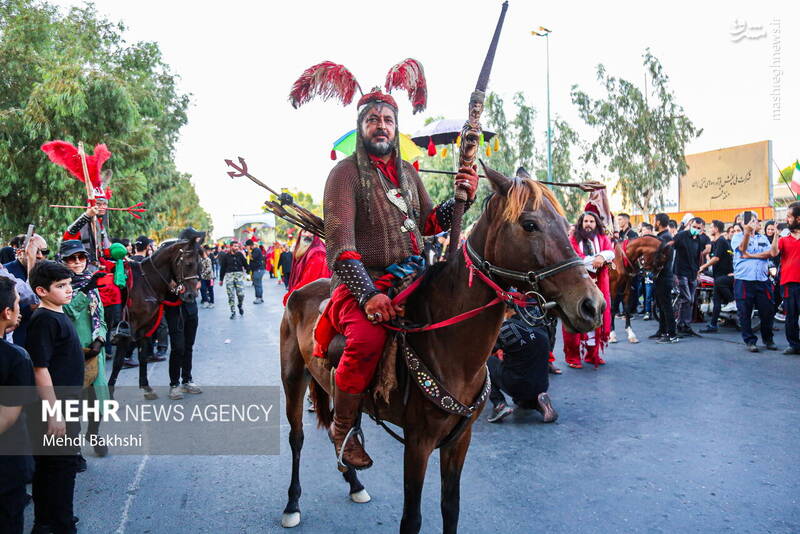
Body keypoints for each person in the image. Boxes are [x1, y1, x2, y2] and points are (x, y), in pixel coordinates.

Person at [317, 84, 477, 470]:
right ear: (362, 127)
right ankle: (343, 425)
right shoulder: (343, 175)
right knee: (368, 338)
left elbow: (428, 224)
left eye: (388, 120)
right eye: (373, 120)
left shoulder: (407, 172)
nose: (381, 126)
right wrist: (368, 295)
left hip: (414, 278)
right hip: (363, 283)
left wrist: (460, 200)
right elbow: (340, 246)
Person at [25, 261, 85, 534]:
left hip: (67, 402)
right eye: (60, 286)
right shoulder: (45, 320)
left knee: (56, 465)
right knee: (59, 467)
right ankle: (58, 523)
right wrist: (55, 413)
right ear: (41, 291)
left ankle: (50, 521)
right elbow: (40, 368)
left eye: (69, 284)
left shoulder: (57, 314)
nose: (68, 290)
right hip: (56, 406)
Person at [58, 240, 110, 458]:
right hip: (72, 350)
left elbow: (100, 318)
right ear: (63, 261)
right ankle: (74, 449)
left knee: (98, 399)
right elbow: (68, 312)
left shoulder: (91, 280)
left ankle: (94, 433)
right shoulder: (60, 286)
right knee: (73, 403)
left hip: (95, 350)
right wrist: (84, 290)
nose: (77, 262)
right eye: (72, 258)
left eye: (81, 257)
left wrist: (101, 339)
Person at [0, 276, 37, 534]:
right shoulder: (16, 357)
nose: (20, 308)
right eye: (17, 303)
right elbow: (6, 419)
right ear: (6, 312)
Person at [487, 304, 557, 424]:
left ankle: (499, 404)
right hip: (542, 384)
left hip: (517, 384)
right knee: (522, 402)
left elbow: (488, 350)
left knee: (486, 363)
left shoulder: (508, 328)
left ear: (507, 310)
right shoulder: (541, 321)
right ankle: (540, 403)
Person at [562, 209, 614, 368]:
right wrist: (595, 261)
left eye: (591, 221)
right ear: (581, 223)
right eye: (586, 222)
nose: (589, 224)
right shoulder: (573, 238)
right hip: (577, 286)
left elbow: (610, 252)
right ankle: (573, 357)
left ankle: (593, 355)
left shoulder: (602, 237)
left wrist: (601, 257)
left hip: (599, 285)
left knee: (596, 317)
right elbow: (575, 258)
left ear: (596, 223)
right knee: (575, 319)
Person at [165, 229, 204, 400]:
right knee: (178, 347)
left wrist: (198, 282)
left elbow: (201, 275)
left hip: (191, 305)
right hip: (175, 307)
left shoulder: (196, 255)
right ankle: (174, 384)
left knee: (189, 345)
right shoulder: (170, 256)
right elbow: (164, 280)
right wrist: (174, 287)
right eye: (194, 239)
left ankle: (187, 379)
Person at [731, 211, 776, 352]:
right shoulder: (737, 237)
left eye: (755, 220)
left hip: (762, 280)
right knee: (744, 312)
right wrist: (746, 233)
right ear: (743, 222)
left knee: (767, 311)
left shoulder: (763, 237)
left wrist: (751, 255)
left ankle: (768, 339)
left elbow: (770, 253)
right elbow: (742, 249)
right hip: (744, 280)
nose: (754, 223)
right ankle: (750, 341)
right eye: (750, 221)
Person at [759, 203, 800, 354]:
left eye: (789, 217)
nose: (787, 219)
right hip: (789, 283)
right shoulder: (784, 238)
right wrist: (776, 235)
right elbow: (774, 253)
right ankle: (794, 345)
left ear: (798, 219)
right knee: (791, 316)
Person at [672, 217, 705, 337]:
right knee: (687, 298)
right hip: (680, 272)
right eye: (694, 226)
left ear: (702, 229)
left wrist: (698, 272)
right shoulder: (681, 236)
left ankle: (685, 325)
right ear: (690, 224)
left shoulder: (699, 240)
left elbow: (698, 257)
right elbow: (671, 248)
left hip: (692, 273)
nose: (695, 229)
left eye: (698, 228)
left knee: (690, 300)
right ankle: (679, 325)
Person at [699, 220, 734, 333]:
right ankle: (713, 325)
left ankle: (732, 301)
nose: (710, 229)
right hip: (718, 275)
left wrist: (703, 266)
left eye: (711, 227)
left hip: (725, 275)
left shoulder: (722, 241)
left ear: (717, 229)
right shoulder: (716, 242)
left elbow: (717, 258)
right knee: (716, 301)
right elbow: (712, 255)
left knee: (718, 286)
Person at [650, 213, 678, 343]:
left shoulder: (665, 237)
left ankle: (671, 334)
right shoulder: (662, 236)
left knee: (666, 306)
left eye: (654, 221)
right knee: (661, 306)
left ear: (658, 222)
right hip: (660, 276)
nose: (653, 223)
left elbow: (661, 258)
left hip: (664, 276)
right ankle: (662, 330)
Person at [283, 230, 330, 306]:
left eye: (311, 231)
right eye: (305, 231)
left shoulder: (317, 254)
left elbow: (309, 282)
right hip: (306, 300)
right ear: (300, 234)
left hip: (313, 303)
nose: (308, 235)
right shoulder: (307, 251)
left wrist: (290, 296)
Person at [218, 240, 247, 319]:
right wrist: (221, 279)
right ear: (230, 247)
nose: (237, 248)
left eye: (237, 246)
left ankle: (240, 305)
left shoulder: (240, 254)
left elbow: (245, 264)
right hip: (229, 276)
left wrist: (249, 273)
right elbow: (222, 268)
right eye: (235, 246)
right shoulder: (226, 256)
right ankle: (233, 311)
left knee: (241, 294)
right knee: (230, 295)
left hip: (239, 276)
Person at [245, 239, 266, 304]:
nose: (246, 247)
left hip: (258, 270)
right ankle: (260, 298)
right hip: (257, 270)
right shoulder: (255, 250)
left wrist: (248, 250)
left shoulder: (257, 250)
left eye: (247, 246)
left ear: (249, 245)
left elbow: (252, 258)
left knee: (257, 285)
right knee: (259, 284)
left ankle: (258, 298)